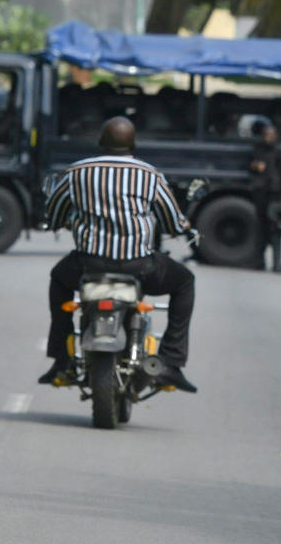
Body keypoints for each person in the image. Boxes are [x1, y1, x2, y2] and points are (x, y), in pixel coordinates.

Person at [40, 116, 199, 393]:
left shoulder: (77, 172)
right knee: (184, 281)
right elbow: (172, 220)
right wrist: (182, 226)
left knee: (58, 278)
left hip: (88, 264)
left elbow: (53, 214)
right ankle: (171, 362)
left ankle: (62, 360)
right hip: (139, 266)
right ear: (133, 144)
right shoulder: (151, 176)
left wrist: (63, 221)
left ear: (100, 142)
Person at [249, 124, 281, 273]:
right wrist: (255, 166)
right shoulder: (258, 150)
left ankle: (277, 263)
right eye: (266, 134)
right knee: (260, 229)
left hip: (276, 194)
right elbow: (250, 166)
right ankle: (258, 261)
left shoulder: (280, 153)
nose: (269, 137)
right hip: (261, 193)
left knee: (276, 229)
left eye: (271, 135)